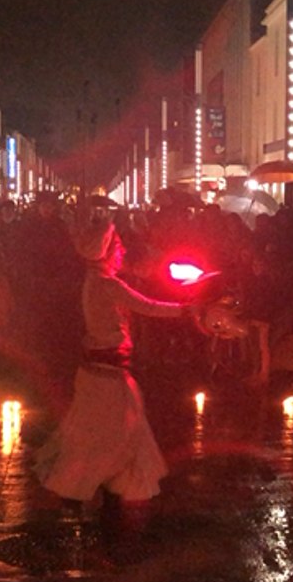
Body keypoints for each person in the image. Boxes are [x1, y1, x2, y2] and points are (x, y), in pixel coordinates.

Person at [33, 219, 195, 561]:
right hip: (107, 378)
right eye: (118, 247)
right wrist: (187, 309)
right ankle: (96, 498)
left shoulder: (94, 281)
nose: (122, 252)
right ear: (108, 252)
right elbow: (148, 306)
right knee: (114, 434)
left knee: (97, 434)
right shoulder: (106, 284)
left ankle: (94, 495)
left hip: (98, 375)